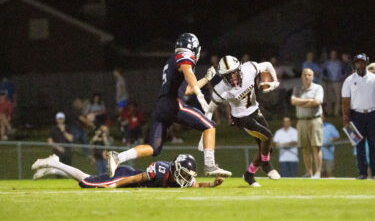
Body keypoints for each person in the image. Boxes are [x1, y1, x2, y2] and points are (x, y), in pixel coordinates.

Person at [107, 33, 231, 178]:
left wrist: (205, 79)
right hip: (173, 103)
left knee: (153, 148)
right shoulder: (184, 58)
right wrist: (200, 95)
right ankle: (210, 165)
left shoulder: (172, 60)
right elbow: (188, 74)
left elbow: (186, 89)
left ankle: (118, 157)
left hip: (161, 106)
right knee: (209, 126)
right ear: (194, 48)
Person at [200, 55, 281, 187]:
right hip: (241, 118)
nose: (232, 77)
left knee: (267, 148)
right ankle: (266, 165)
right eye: (228, 75)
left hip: (255, 110)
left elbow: (267, 64)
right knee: (267, 137)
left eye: (233, 73)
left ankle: (249, 175)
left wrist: (275, 81)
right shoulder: (221, 89)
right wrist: (204, 127)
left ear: (239, 69)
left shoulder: (249, 69)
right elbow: (210, 109)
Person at [32, 154, 224, 188]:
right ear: (175, 169)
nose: (184, 178)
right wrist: (115, 184)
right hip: (125, 175)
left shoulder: (178, 176)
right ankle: (56, 163)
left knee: (87, 181)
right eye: (182, 174)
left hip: (132, 176)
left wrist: (213, 184)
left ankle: (52, 167)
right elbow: (134, 179)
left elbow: (196, 184)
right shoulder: (158, 170)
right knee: (87, 182)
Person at [342, 53, 375, 180]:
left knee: (373, 145)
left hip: (372, 114)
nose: (360, 65)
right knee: (359, 146)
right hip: (356, 116)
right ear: (354, 64)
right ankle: (362, 173)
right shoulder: (349, 80)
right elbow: (345, 101)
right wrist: (346, 119)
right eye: (357, 62)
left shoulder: (373, 78)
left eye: (362, 62)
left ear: (366, 63)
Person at [291, 68, 324, 178]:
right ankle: (309, 172)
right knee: (304, 147)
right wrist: (309, 100)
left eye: (309, 75)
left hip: (314, 119)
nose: (307, 77)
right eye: (305, 74)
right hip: (301, 120)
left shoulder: (318, 88)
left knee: (316, 146)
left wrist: (300, 102)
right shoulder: (297, 88)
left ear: (313, 76)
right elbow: (293, 101)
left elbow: (317, 102)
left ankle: (317, 172)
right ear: (301, 76)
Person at [322, 50, 343, 117]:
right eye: (332, 54)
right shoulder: (327, 63)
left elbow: (343, 71)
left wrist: (341, 78)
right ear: (330, 55)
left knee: (338, 98)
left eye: (334, 54)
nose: (333, 55)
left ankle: (336, 113)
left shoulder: (339, 63)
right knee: (329, 98)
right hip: (329, 82)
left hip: (338, 82)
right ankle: (328, 112)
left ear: (336, 55)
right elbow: (323, 72)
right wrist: (325, 78)